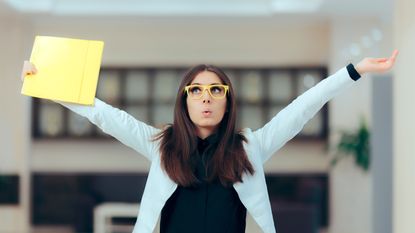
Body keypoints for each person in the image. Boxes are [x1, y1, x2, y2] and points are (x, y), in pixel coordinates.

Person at [21, 50, 398, 233]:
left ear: (227, 100)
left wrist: (355, 70)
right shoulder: (160, 145)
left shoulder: (250, 146)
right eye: (196, 90)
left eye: (215, 89)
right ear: (185, 99)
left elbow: (303, 107)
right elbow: (105, 115)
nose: (205, 97)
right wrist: (48, 84)